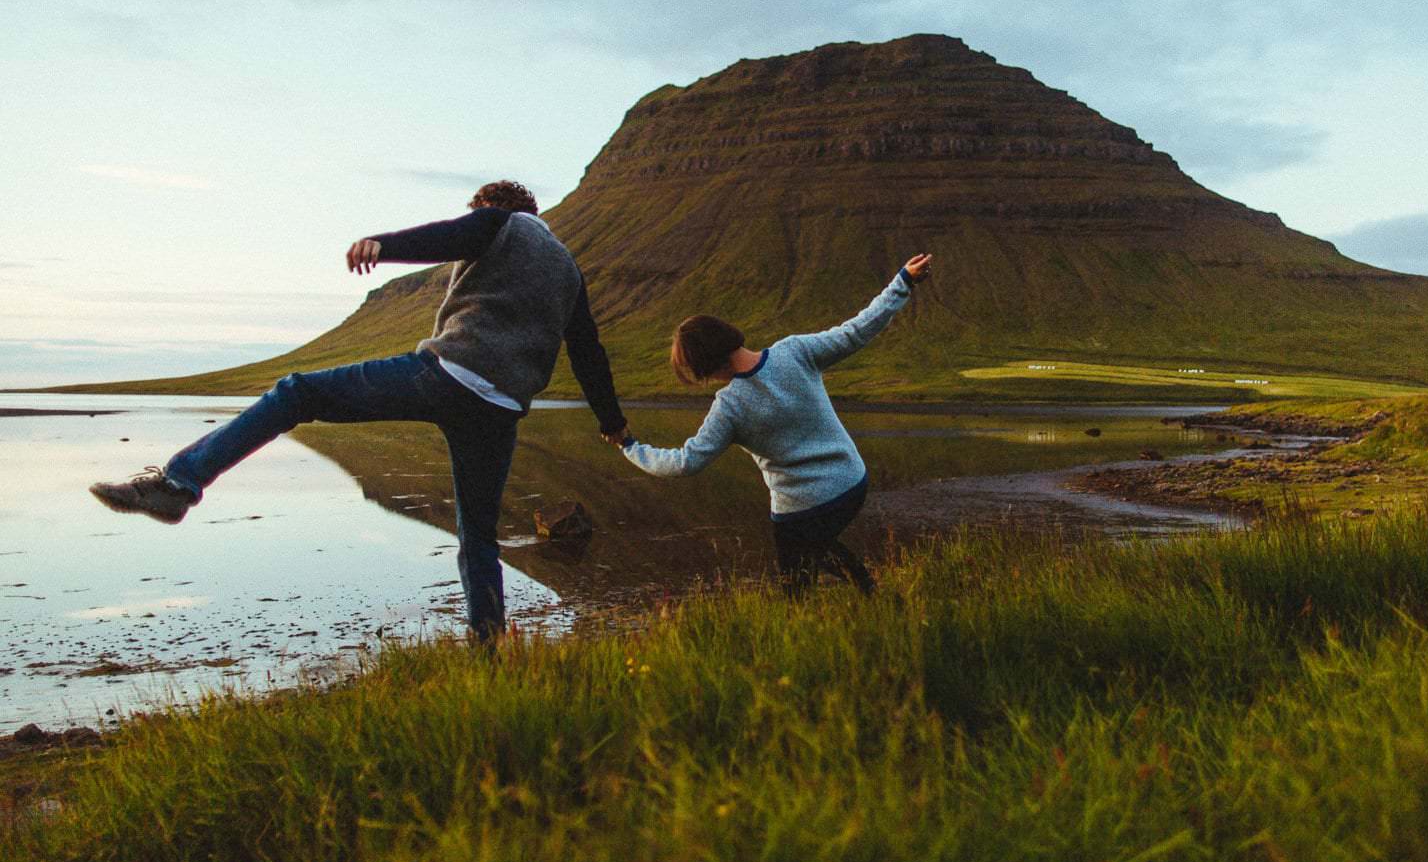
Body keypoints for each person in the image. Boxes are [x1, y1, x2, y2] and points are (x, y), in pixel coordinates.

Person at [89, 181, 629, 640]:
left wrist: (382, 245)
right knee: (479, 537)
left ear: (495, 208)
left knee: (296, 392)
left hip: (449, 375)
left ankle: (178, 485)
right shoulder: (568, 271)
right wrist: (611, 421)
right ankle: (487, 654)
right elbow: (588, 349)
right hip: (501, 407)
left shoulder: (501, 224)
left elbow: (453, 235)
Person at [612, 253, 932, 595]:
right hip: (851, 486)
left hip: (799, 509)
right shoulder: (794, 351)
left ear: (706, 366)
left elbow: (685, 462)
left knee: (797, 590)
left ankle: (866, 598)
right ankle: (875, 596)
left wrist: (629, 446)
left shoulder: (729, 406)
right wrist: (902, 282)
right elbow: (856, 331)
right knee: (818, 546)